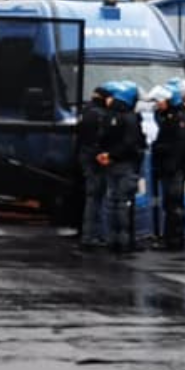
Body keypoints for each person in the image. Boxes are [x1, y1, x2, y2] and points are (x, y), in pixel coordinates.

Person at [148, 81, 185, 250]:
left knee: (174, 204)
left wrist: (157, 148)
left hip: (173, 167)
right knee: (172, 204)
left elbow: (177, 144)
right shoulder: (169, 115)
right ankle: (172, 238)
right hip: (172, 165)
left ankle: (173, 240)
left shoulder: (179, 117)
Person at [97, 80, 145, 254]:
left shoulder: (108, 116)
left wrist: (105, 154)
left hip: (110, 163)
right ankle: (124, 241)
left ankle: (111, 239)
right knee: (124, 203)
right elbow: (132, 143)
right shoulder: (130, 118)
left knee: (111, 202)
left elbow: (101, 137)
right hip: (126, 164)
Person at [75, 81, 114, 247]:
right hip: (99, 159)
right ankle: (97, 235)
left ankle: (89, 234)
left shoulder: (85, 111)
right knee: (100, 197)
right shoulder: (103, 114)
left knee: (92, 197)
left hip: (86, 156)